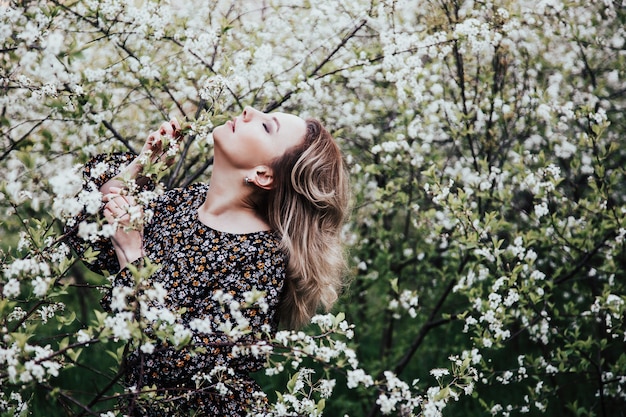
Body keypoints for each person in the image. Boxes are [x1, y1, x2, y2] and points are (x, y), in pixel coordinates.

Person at [67, 106, 350, 416]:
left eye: (267, 127)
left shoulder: (262, 260)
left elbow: (178, 362)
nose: (248, 110)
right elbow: (84, 237)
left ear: (263, 175)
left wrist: (133, 256)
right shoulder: (183, 204)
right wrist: (140, 170)